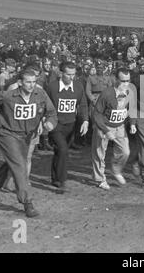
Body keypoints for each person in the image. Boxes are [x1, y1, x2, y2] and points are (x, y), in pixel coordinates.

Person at [0, 69, 57, 217]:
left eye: (34, 82)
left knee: (12, 164)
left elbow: (51, 112)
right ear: (20, 82)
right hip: (8, 134)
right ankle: (27, 203)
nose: (32, 85)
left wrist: (50, 123)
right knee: (20, 165)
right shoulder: (8, 95)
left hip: (26, 137)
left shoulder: (41, 94)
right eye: (28, 82)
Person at [46, 62, 89, 193]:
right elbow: (44, 104)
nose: (71, 77)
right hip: (56, 124)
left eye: (73, 74)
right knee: (63, 150)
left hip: (71, 124)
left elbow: (82, 105)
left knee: (60, 151)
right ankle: (62, 180)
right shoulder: (51, 87)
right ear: (60, 73)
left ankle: (55, 178)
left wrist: (85, 121)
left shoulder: (78, 86)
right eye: (68, 74)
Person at [91, 68, 132, 190]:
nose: (125, 84)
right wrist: (105, 130)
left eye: (128, 80)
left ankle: (116, 169)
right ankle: (100, 179)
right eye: (123, 81)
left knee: (125, 151)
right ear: (115, 79)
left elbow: (131, 108)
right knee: (99, 153)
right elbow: (97, 113)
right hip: (104, 126)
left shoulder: (129, 92)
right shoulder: (107, 94)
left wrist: (133, 123)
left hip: (119, 126)